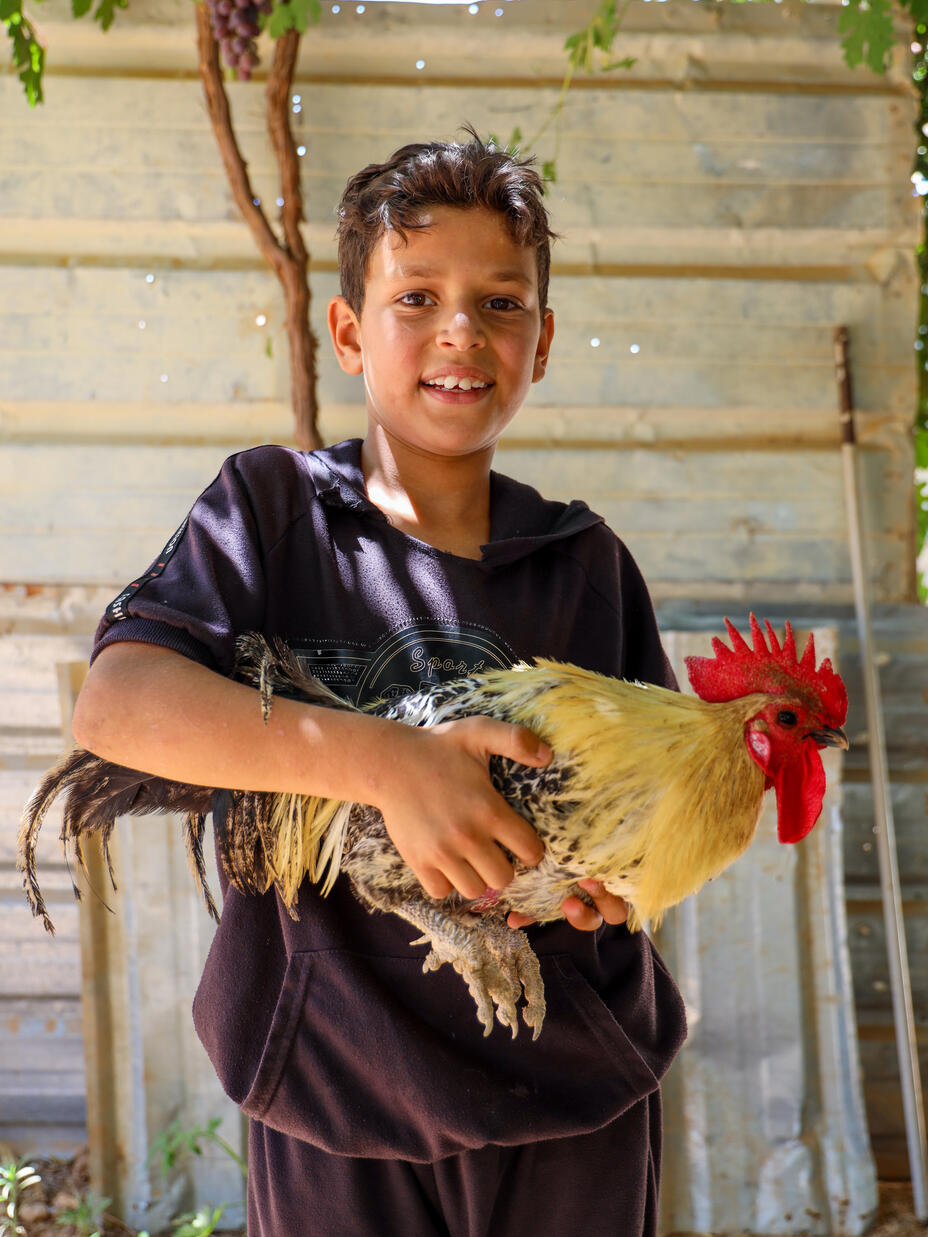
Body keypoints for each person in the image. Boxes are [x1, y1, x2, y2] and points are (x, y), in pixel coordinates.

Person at [72, 128, 688, 1237]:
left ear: (541, 343)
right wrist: (388, 764)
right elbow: (116, 706)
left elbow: (642, 823)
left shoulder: (584, 563)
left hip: (566, 1075)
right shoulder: (272, 512)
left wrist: (607, 886)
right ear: (349, 331)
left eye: (501, 303)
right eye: (418, 298)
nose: (462, 329)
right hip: (335, 1081)